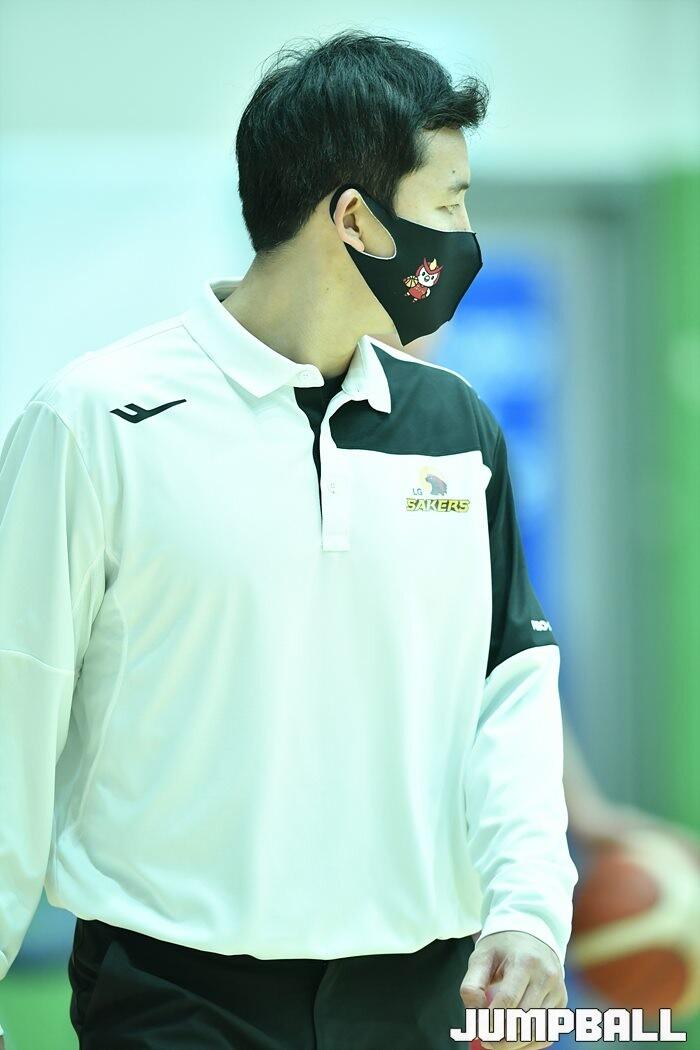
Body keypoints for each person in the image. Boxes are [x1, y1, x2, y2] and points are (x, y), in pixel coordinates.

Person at [0, 31, 578, 1050]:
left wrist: (529, 907)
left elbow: (509, 696)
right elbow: (13, 712)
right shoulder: (96, 420)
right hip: (172, 997)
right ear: (355, 220)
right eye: (449, 205)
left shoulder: (458, 427)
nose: (465, 238)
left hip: (421, 996)